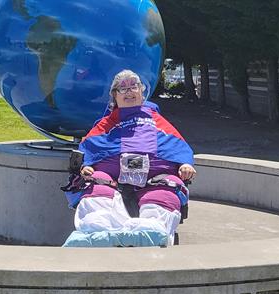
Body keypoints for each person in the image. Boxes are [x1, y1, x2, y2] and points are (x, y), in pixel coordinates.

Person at [63, 69, 196, 247]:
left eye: (134, 86)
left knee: (165, 191)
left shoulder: (158, 121)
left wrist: (185, 163)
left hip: (156, 177)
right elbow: (88, 148)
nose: (129, 92)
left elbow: (177, 145)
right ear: (114, 96)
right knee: (96, 187)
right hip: (111, 178)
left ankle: (151, 232)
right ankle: (97, 231)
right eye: (123, 88)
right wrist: (86, 166)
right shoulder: (105, 125)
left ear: (142, 92)